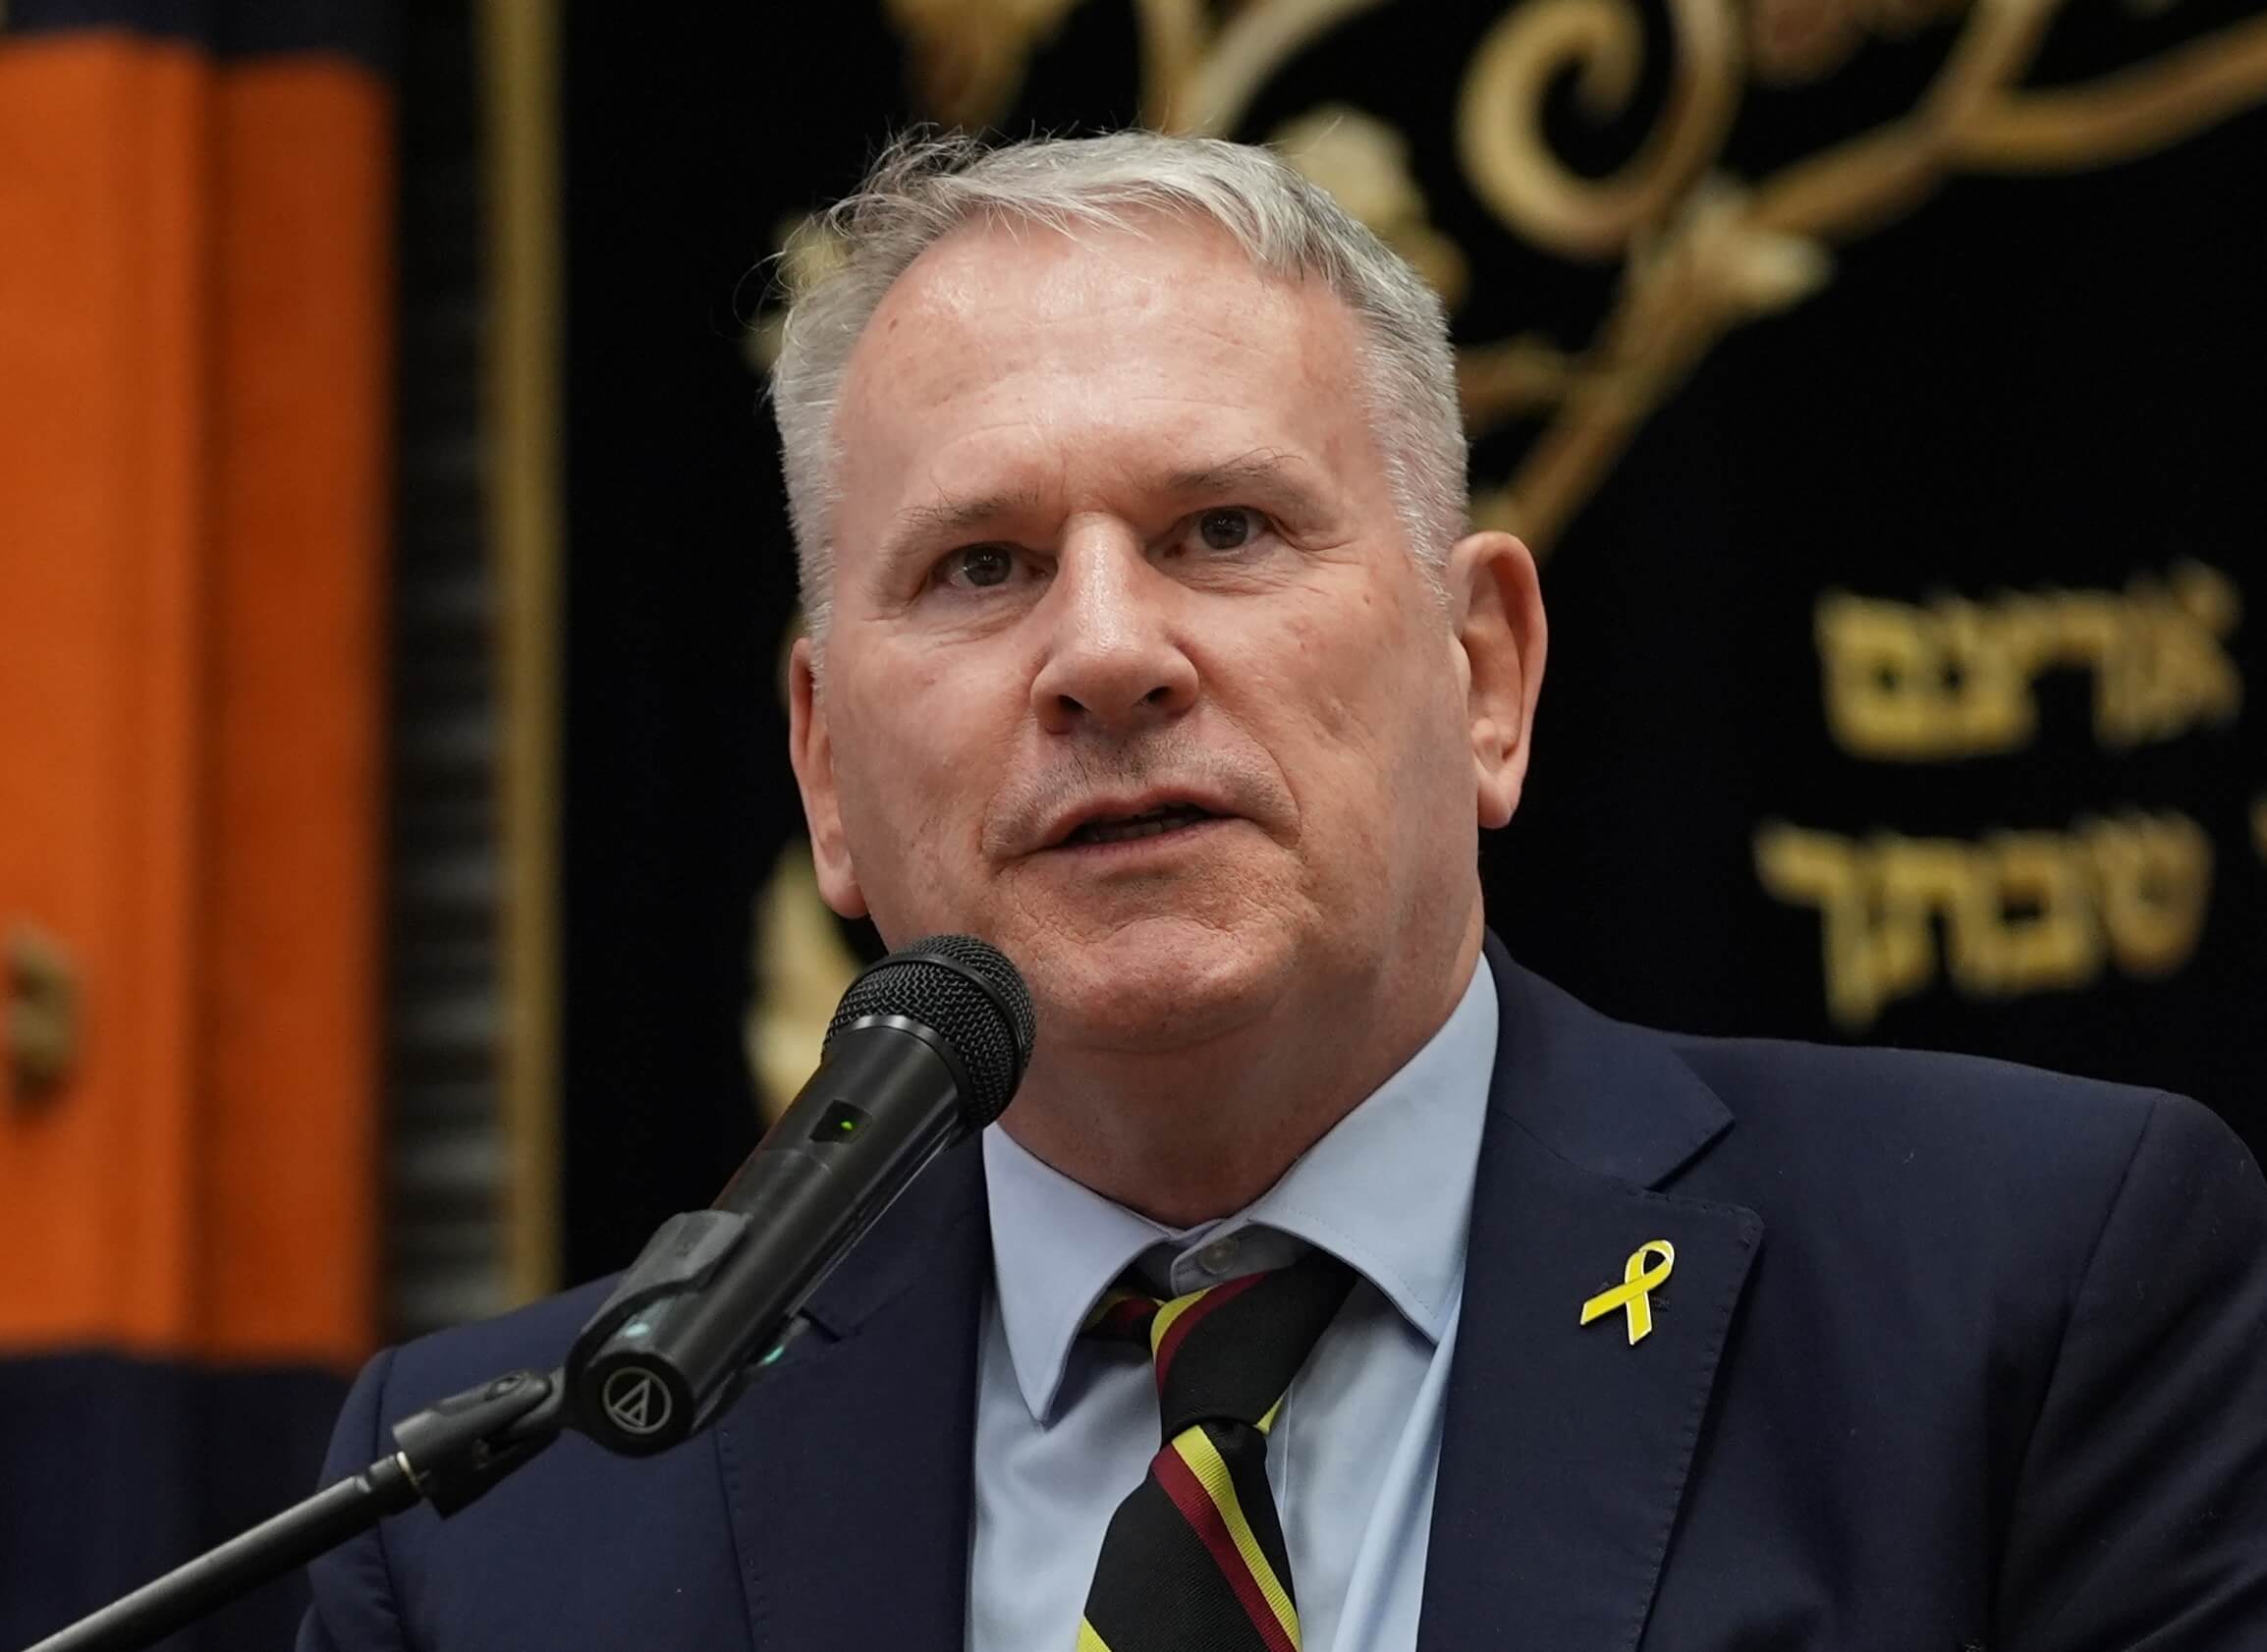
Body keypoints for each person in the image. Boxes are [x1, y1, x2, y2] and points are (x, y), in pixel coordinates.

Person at [301, 131, 2267, 1652]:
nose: (1104, 653)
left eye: (1222, 529)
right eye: (980, 567)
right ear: (824, 768)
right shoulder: (505, 1517)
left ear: (1483, 674)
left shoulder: (2025, 1298)